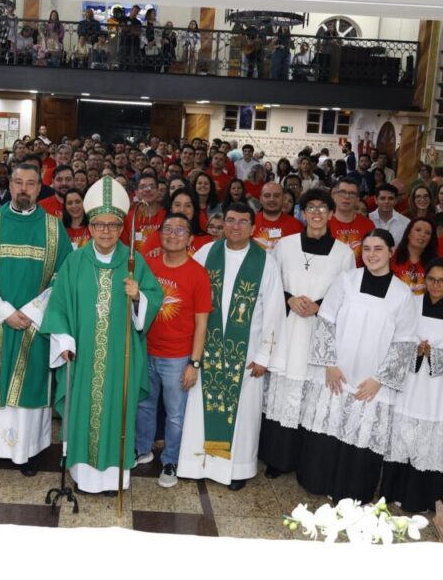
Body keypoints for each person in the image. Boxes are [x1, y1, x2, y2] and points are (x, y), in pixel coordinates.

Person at [42, 176, 162, 494]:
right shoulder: (75, 261)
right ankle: (84, 476)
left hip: (121, 358)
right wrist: (65, 341)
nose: (106, 231)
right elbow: (59, 305)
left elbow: (154, 298)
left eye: (112, 225)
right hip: (83, 357)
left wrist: (139, 297)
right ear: (90, 227)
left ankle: (114, 479)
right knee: (83, 412)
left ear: (122, 227)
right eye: (99, 224)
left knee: (117, 413)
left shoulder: (134, 262)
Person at [0, 163, 72, 477]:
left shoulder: (54, 227)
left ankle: (28, 453)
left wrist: (31, 313)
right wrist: (5, 312)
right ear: (10, 185)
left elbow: (63, 280)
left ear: (40, 188)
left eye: (31, 183)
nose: (23, 189)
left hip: (35, 324)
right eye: (18, 182)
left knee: (29, 388)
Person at [296, 229, 419, 503]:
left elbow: (405, 342)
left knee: (360, 435)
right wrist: (329, 364)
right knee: (328, 428)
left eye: (378, 249)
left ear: (391, 252)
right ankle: (318, 481)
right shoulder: (346, 280)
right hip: (337, 373)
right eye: (367, 249)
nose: (371, 255)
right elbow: (326, 320)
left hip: (371, 382)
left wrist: (379, 379)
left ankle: (352, 491)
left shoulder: (402, 294)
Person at [178, 203, 284, 491]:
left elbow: (275, 312)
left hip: (246, 354)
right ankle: (196, 465)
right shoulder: (205, 253)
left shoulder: (265, 262)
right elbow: (190, 297)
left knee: (243, 415)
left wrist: (264, 356)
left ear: (253, 227)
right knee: (200, 407)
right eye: (231, 220)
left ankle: (237, 469)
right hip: (207, 348)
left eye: (242, 221)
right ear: (222, 223)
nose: (235, 226)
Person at [262, 189, 354, 478]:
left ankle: (305, 460)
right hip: (288, 328)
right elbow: (271, 283)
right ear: (302, 213)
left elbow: (348, 296)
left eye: (322, 208)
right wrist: (289, 298)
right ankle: (277, 459)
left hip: (319, 331)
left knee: (311, 397)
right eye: (310, 208)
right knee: (283, 393)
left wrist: (320, 306)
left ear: (331, 213)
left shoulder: (344, 253)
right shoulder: (285, 246)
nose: (316, 213)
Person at [381, 258, 443, 512]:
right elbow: (394, 338)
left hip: (440, 390)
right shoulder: (411, 304)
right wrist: (415, 350)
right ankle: (394, 492)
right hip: (411, 383)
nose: (436, 285)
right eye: (432, 279)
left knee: (431, 442)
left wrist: (434, 354)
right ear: (425, 280)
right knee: (403, 436)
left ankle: (424, 499)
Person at [136, 213, 213, 488]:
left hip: (177, 357)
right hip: (146, 349)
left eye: (180, 230)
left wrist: (194, 363)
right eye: (167, 229)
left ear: (190, 239)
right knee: (144, 404)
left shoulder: (198, 274)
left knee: (175, 414)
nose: (173, 235)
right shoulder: (149, 265)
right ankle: (142, 448)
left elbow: (202, 323)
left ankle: (170, 460)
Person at [141, 188, 212, 258]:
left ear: (194, 210)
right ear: (170, 209)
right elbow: (142, 262)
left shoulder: (206, 241)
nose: (182, 210)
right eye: (177, 205)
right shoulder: (156, 237)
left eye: (188, 205)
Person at [328, 177, 376, 266]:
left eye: (352, 194)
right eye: (342, 192)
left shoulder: (368, 224)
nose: (347, 197)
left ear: (357, 200)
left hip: (359, 273)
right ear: (334, 196)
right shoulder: (324, 223)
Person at [391, 218, 437, 296]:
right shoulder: (391, 256)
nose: (422, 235)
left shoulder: (436, 263)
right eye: (418, 230)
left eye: (427, 233)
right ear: (408, 234)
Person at [121, 174, 165, 254]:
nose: (147, 190)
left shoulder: (167, 216)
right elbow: (124, 248)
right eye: (143, 187)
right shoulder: (129, 218)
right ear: (136, 192)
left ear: (158, 191)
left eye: (152, 186)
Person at [252, 182, 303, 251]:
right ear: (260, 199)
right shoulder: (250, 222)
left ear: (282, 198)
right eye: (267, 196)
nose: (272, 199)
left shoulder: (297, 226)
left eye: (276, 196)